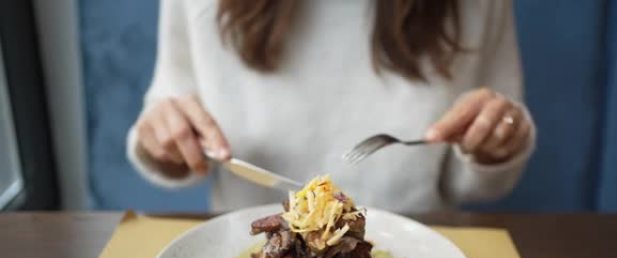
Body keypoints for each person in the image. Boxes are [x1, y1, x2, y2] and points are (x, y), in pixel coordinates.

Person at [127, 0, 536, 213]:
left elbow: (477, 180)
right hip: (243, 246)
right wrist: (163, 141)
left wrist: (496, 142)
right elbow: (166, 119)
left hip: (422, 246)